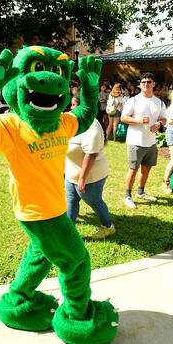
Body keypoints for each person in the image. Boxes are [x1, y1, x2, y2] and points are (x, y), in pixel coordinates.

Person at [65, 96, 115, 239]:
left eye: (75, 105)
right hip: (72, 173)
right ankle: (69, 230)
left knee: (95, 202)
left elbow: (91, 155)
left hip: (90, 177)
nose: (71, 108)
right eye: (72, 105)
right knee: (71, 200)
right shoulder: (75, 123)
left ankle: (108, 226)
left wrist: (82, 179)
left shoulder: (91, 126)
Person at [120, 72, 168, 209]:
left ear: (153, 84)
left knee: (146, 169)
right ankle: (127, 196)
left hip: (151, 142)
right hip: (136, 141)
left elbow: (164, 118)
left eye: (149, 82)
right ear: (140, 85)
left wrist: (159, 124)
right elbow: (124, 118)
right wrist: (137, 120)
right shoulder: (134, 100)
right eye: (143, 82)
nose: (146, 84)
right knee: (133, 169)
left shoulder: (159, 102)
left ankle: (140, 192)